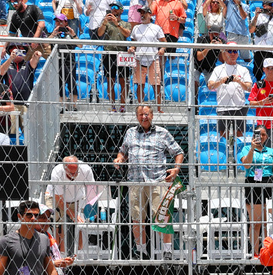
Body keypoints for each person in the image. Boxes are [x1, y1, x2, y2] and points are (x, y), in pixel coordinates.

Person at [113, 104, 184, 260]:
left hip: (157, 180)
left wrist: (176, 169)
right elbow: (123, 151)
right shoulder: (130, 133)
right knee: (137, 218)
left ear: (152, 115)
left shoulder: (162, 133)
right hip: (135, 181)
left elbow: (178, 152)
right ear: (137, 117)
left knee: (162, 216)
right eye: (140, 114)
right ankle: (141, 251)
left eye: (146, 114)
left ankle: (167, 251)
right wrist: (120, 158)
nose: (143, 117)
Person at [0, 200, 66, 275]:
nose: (33, 218)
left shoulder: (44, 239)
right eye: (29, 215)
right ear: (19, 216)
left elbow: (51, 270)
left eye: (36, 215)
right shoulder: (7, 241)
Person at [240, 126, 273, 258]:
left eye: (263, 134)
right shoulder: (246, 148)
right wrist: (252, 148)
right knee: (256, 222)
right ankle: (256, 252)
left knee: (266, 221)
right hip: (253, 183)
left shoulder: (271, 151)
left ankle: (267, 250)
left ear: (267, 137)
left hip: (268, 182)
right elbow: (246, 165)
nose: (260, 137)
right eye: (258, 134)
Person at [46, 155, 99, 256]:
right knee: (59, 225)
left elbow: (91, 189)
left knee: (78, 225)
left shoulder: (86, 169)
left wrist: (92, 208)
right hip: (55, 197)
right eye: (71, 173)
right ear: (64, 168)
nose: (74, 175)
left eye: (76, 172)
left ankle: (77, 254)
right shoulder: (57, 171)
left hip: (75, 198)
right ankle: (59, 255)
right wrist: (73, 215)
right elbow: (59, 199)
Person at [207, 43, 252, 159]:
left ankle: (240, 157)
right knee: (223, 135)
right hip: (223, 107)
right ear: (224, 53)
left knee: (240, 135)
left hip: (239, 107)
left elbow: (249, 87)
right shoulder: (218, 69)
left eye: (235, 51)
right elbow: (210, 85)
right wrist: (221, 81)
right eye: (230, 51)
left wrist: (238, 82)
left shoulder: (243, 69)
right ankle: (225, 157)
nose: (233, 54)